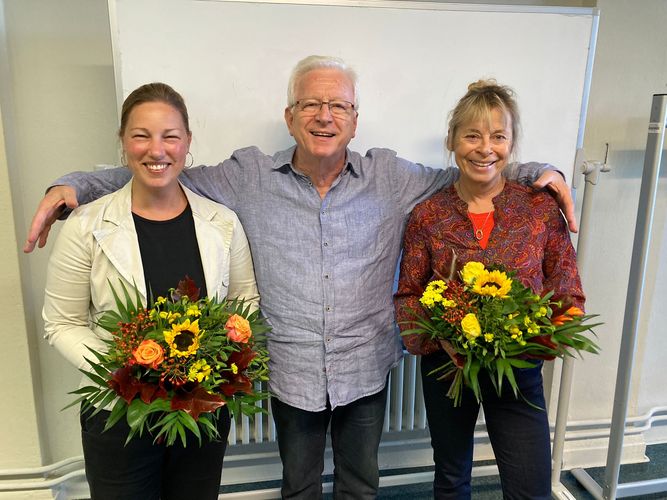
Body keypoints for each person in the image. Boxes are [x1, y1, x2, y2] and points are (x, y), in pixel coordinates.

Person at [28, 56, 575, 500]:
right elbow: (161, 167)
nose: (325, 115)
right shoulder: (246, 176)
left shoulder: (391, 176)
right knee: (299, 488)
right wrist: (76, 184)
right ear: (289, 116)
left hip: (363, 367)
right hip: (291, 371)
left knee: (362, 487)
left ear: (355, 120)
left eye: (338, 104)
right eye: (312, 103)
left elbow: (472, 169)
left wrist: (537, 172)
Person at [42, 82, 258, 500]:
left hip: (201, 409)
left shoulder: (223, 223)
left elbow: (243, 305)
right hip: (118, 411)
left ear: (188, 142)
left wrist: (219, 363)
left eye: (170, 136)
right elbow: (61, 322)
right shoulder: (88, 226)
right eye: (141, 135)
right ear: (123, 142)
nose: (156, 150)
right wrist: (130, 373)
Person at [394, 80, 585, 499]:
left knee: (530, 486)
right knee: (451, 477)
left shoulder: (537, 209)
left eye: (498, 136)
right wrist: (436, 338)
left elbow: (567, 287)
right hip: (448, 369)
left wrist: (540, 337)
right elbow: (408, 294)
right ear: (452, 140)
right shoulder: (428, 215)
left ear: (512, 144)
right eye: (473, 135)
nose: (485, 148)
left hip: (518, 367)